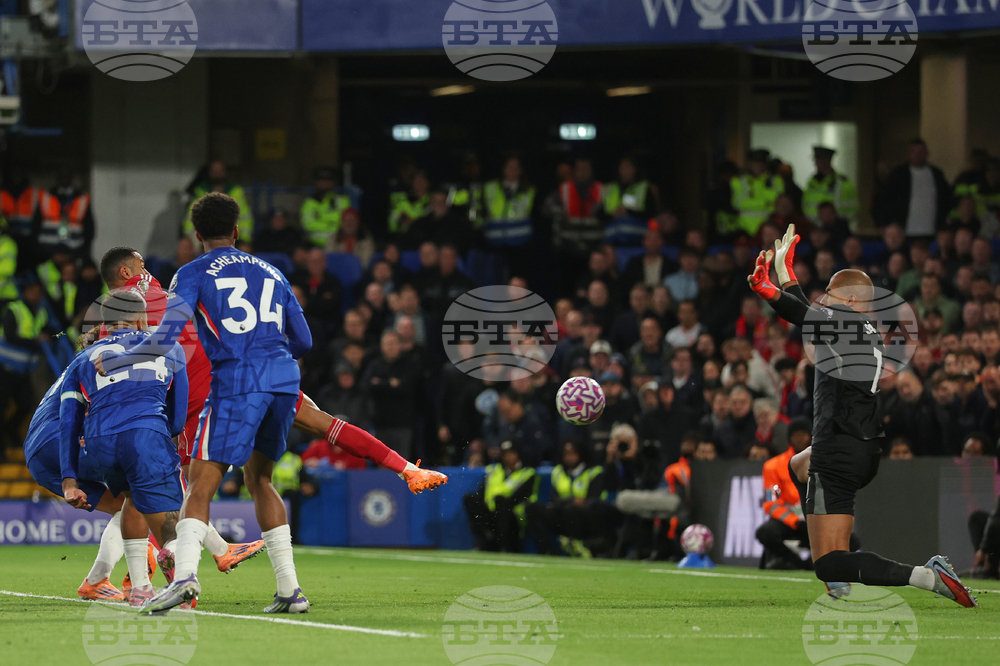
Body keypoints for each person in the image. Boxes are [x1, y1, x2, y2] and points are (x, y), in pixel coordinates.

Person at [93, 192, 314, 614]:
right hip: (285, 380)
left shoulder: (192, 272)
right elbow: (303, 340)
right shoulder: (274, 270)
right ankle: (290, 592)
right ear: (236, 230)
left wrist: (121, 357)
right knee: (260, 480)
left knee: (199, 485)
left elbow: (165, 339)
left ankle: (184, 579)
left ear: (196, 235)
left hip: (237, 381)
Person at [747, 223, 978, 607]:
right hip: (859, 447)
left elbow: (804, 316)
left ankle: (925, 575)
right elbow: (809, 313)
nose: (821, 301)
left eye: (829, 296)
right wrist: (787, 275)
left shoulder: (845, 323)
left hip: (837, 450)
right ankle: (842, 570)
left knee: (828, 563)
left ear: (852, 300)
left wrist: (768, 291)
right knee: (798, 466)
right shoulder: (861, 329)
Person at [60, 290, 189, 606]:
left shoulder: (81, 360)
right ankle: (177, 568)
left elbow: (68, 422)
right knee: (173, 521)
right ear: (142, 319)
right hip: (146, 435)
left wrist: (69, 480)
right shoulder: (169, 348)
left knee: (132, 498)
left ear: (105, 324)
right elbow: (178, 419)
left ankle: (141, 589)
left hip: (100, 443)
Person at [525, 440, 614, 557]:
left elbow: (592, 501)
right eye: (566, 454)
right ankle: (547, 551)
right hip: (562, 513)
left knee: (572, 510)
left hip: (584, 519)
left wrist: (571, 502)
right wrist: (572, 500)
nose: (569, 457)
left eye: (573, 453)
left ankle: (579, 547)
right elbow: (554, 499)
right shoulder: (558, 472)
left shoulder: (594, 472)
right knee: (532, 508)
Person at [0, 276, 52, 452]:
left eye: (38, 291)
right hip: (4, 368)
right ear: (24, 292)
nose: (36, 294)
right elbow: (10, 336)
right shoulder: (14, 309)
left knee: (26, 405)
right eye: (32, 291)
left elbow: (51, 331)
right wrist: (35, 341)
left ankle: (11, 432)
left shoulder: (41, 312)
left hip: (23, 370)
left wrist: (52, 336)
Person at [755, 418, 812, 570]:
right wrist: (795, 521)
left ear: (810, 436)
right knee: (765, 533)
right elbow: (771, 502)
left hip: (814, 516)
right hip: (788, 519)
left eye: (803, 434)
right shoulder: (773, 466)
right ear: (789, 438)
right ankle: (798, 563)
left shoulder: (822, 462)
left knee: (851, 541)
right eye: (796, 435)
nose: (800, 438)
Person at [463, 439, 539, 552]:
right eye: (505, 454)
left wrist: (498, 500)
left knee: (501, 502)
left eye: (511, 453)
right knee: (470, 499)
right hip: (491, 516)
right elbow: (481, 494)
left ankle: (506, 546)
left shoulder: (528, 473)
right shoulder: (494, 471)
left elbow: (516, 499)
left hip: (513, 519)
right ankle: (486, 541)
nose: (508, 457)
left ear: (518, 454)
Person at [873, 138, 952, 237]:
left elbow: (946, 198)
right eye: (914, 152)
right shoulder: (899, 174)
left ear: (926, 153)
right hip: (904, 230)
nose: (917, 155)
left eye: (921, 152)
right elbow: (885, 200)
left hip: (932, 229)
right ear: (909, 153)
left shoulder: (936, 175)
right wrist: (884, 223)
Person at [184, 161, 253, 242]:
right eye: (214, 170)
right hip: (205, 240)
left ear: (225, 172)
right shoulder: (200, 191)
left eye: (219, 170)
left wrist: (243, 240)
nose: (217, 173)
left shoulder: (236, 191)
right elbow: (190, 219)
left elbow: (245, 219)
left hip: (232, 239)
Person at [602, 156, 658, 246]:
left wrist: (628, 211)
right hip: (612, 237)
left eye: (628, 166)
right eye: (622, 166)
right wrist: (613, 214)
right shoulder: (609, 188)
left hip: (638, 237)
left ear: (635, 169)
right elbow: (600, 214)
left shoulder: (644, 188)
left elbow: (651, 212)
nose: (625, 169)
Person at [731, 149, 785, 237]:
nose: (759, 166)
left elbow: (778, 203)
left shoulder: (775, 180)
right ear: (749, 164)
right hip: (745, 228)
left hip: (769, 227)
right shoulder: (738, 181)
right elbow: (738, 203)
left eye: (762, 163)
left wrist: (752, 203)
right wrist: (765, 203)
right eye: (756, 163)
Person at [802, 146, 859, 229]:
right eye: (815, 160)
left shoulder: (842, 183)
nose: (815, 163)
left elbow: (852, 209)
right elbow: (806, 206)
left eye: (818, 159)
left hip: (836, 229)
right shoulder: (811, 183)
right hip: (814, 230)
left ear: (827, 160)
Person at [300, 166, 352, 248]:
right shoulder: (309, 202)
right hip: (315, 245)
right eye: (321, 180)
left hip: (338, 244)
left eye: (327, 180)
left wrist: (320, 219)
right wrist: (332, 224)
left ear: (332, 182)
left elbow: (347, 222)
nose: (323, 183)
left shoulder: (342, 200)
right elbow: (308, 224)